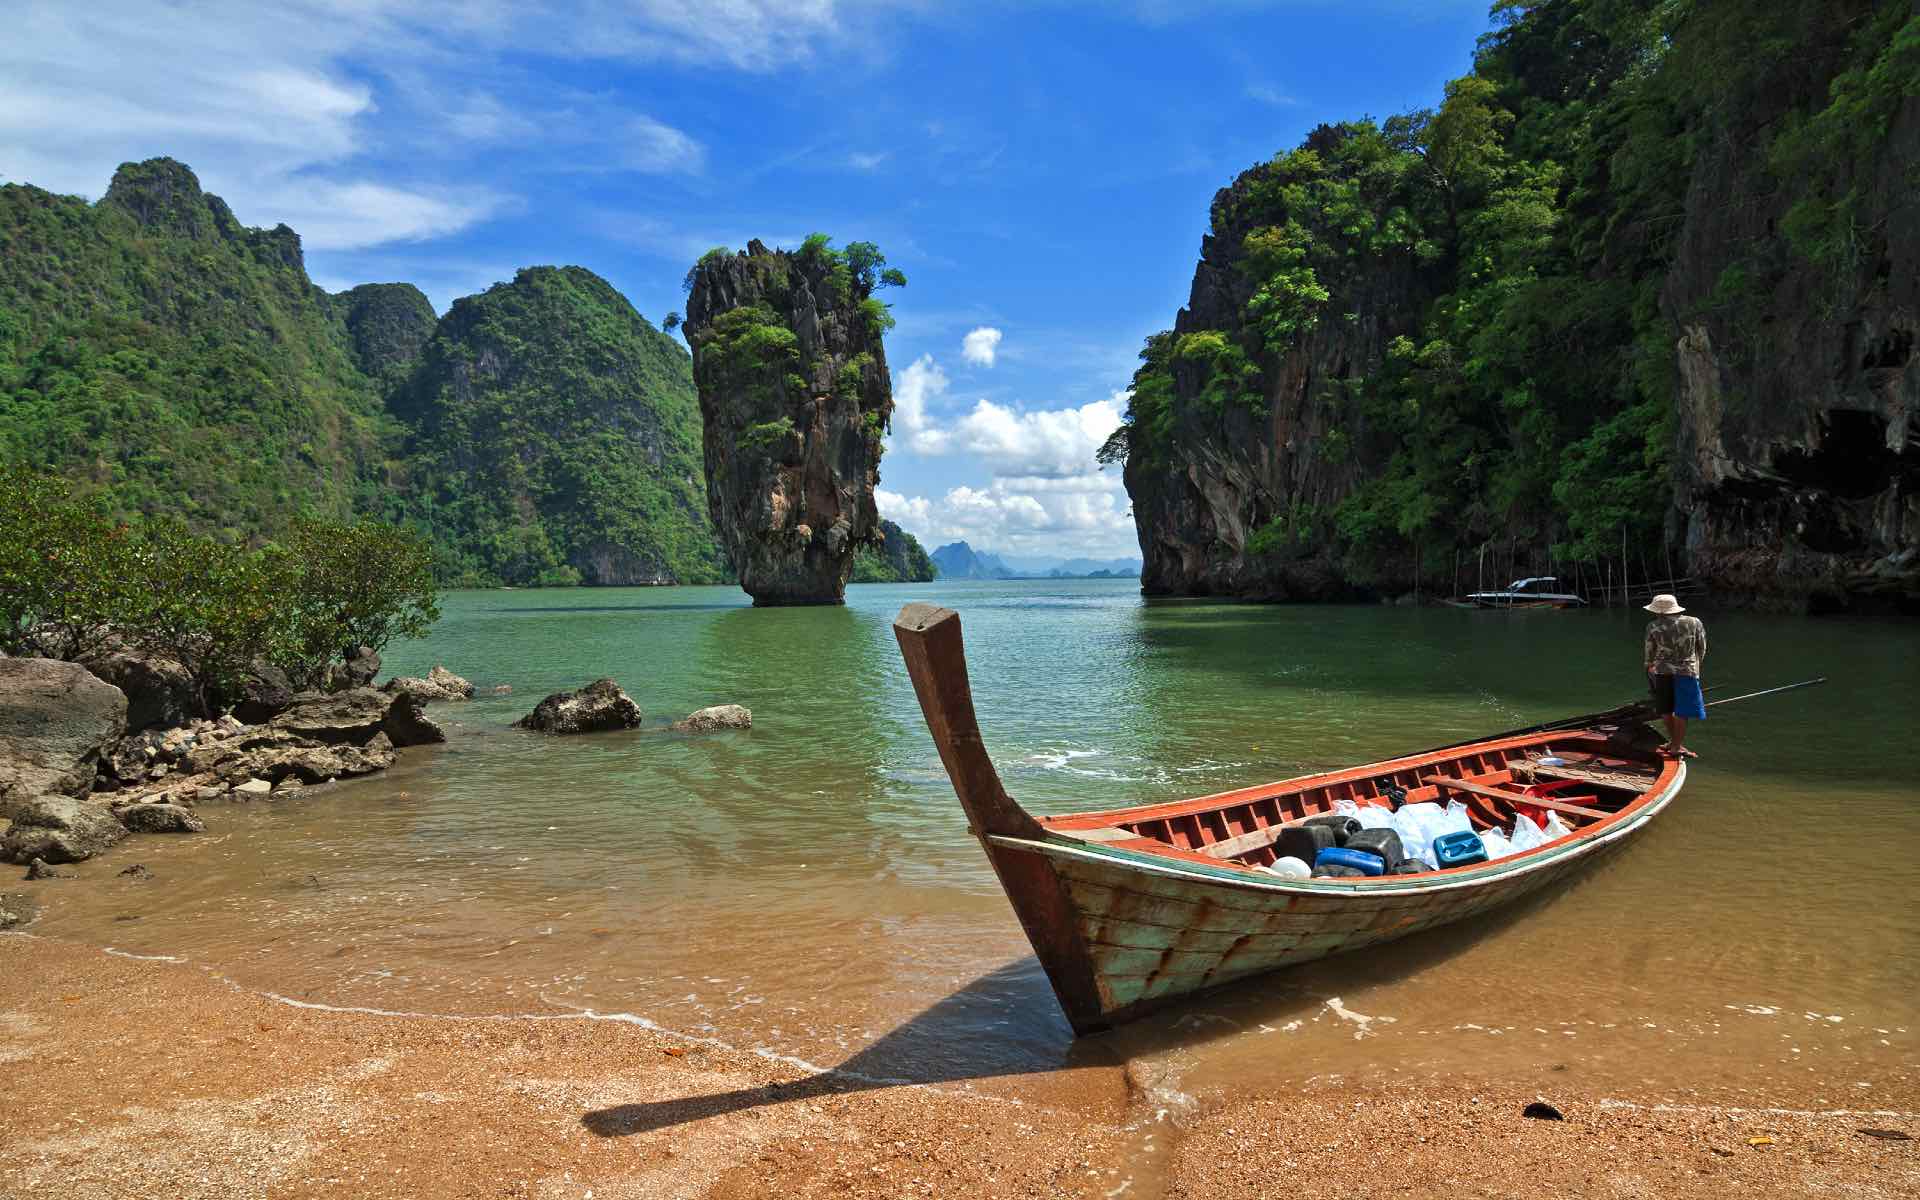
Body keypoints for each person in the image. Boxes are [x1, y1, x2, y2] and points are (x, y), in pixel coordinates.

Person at [1643, 594, 1706, 759]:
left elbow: (1649, 652)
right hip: (1687, 670)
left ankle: (1674, 744)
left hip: (1662, 671)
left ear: (1660, 612)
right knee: (1682, 710)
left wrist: (1649, 666)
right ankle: (1676, 745)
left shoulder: (1653, 626)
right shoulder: (1694, 622)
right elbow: (1702, 647)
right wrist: (1695, 665)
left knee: (1666, 708)